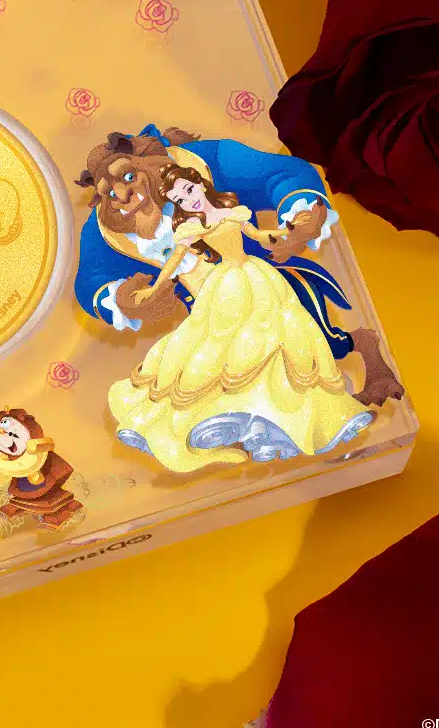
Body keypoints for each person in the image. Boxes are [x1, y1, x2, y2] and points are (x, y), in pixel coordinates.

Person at [73, 125, 403, 408]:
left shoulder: (211, 160)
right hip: (210, 313)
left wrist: (299, 217)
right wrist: (124, 299)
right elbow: (90, 279)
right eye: (110, 192)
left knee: (315, 342)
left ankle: (368, 357)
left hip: (263, 279)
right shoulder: (106, 232)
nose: (124, 194)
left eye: (129, 177)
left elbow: (281, 173)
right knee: (229, 372)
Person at [108, 166, 375, 471]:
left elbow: (259, 235)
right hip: (227, 285)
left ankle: (279, 414)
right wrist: (155, 287)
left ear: (201, 185)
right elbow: (174, 261)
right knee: (223, 341)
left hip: (256, 274)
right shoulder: (191, 228)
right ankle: (232, 410)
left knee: (282, 331)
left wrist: (287, 232)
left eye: (189, 190)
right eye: (179, 199)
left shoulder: (232, 213)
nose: (188, 200)